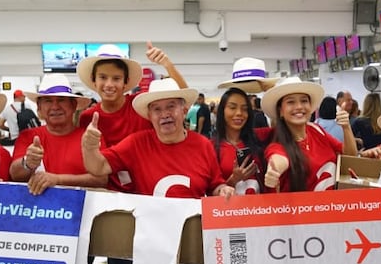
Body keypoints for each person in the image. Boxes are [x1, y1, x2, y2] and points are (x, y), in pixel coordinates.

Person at [81, 78, 233, 199]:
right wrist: (89, 147)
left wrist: (223, 190)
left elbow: (215, 186)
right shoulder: (136, 143)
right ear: (149, 116)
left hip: (193, 227)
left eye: (171, 106)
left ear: (184, 110)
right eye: (157, 109)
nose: (165, 114)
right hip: (148, 227)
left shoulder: (203, 145)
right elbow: (98, 167)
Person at [8, 75, 108, 195]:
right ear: (39, 107)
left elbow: (102, 179)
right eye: (48, 101)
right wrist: (27, 162)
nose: (55, 107)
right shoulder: (27, 136)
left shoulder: (91, 137)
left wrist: (57, 180)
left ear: (73, 105)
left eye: (61, 100)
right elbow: (15, 175)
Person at [77, 42, 188, 148]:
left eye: (116, 78)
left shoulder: (140, 105)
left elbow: (183, 98)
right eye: (103, 77)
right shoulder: (88, 118)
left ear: (126, 82)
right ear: (93, 80)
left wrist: (167, 64)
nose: (109, 84)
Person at [261, 77, 356, 192]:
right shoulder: (278, 146)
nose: (299, 106)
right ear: (280, 110)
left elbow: (350, 156)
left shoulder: (317, 130)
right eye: (291, 102)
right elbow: (278, 159)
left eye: (304, 101)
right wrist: (274, 171)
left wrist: (346, 127)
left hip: (333, 202)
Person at [211, 86, 269, 195]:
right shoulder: (212, 147)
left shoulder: (259, 136)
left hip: (261, 204)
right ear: (222, 111)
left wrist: (269, 89)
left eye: (244, 109)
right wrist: (234, 179)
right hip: (230, 205)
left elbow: (283, 127)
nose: (239, 113)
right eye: (232, 107)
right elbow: (211, 192)